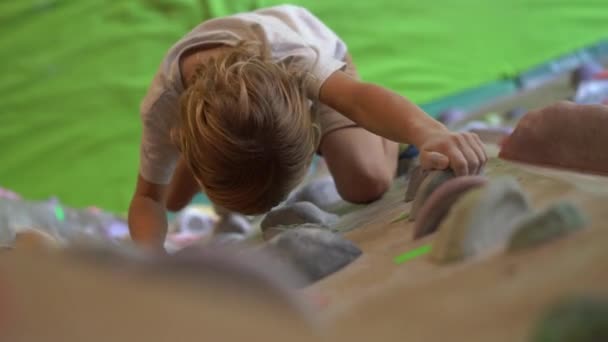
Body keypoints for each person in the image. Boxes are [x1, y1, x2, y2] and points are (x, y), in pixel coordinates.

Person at [128, 4, 487, 250]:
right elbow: (147, 199)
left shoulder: (297, 60)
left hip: (320, 61)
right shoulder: (163, 108)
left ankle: (390, 140)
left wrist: (427, 132)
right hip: (232, 103)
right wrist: (149, 259)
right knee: (171, 198)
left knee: (366, 182)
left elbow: (359, 100)